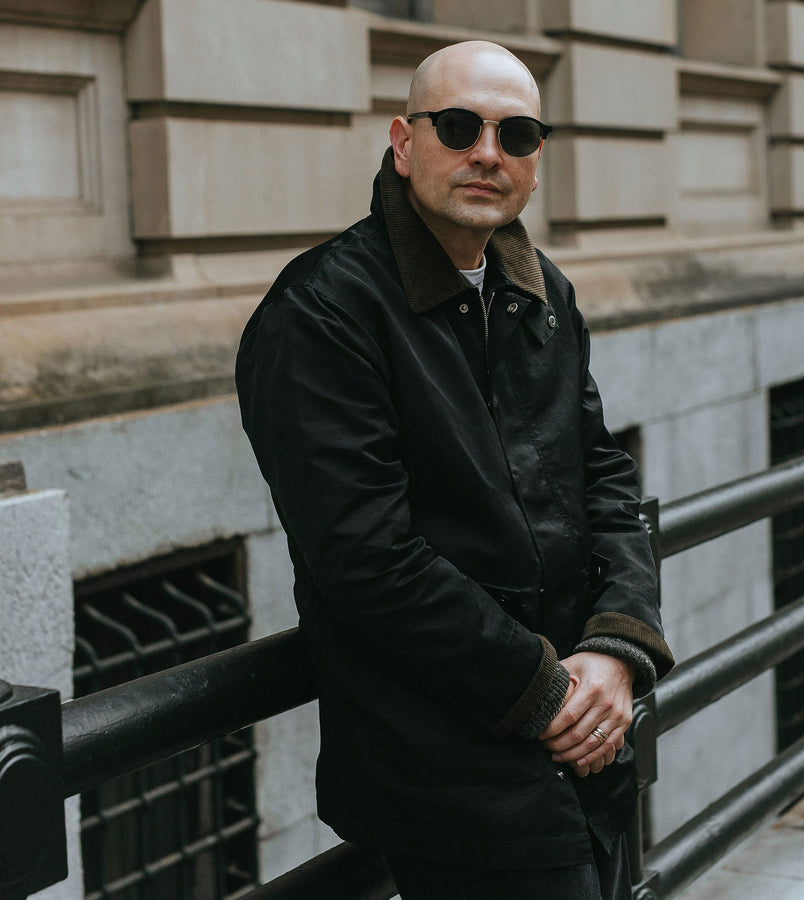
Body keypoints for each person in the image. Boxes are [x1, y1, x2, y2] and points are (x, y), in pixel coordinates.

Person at [236, 40, 673, 899]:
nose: (487, 152)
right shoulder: (323, 310)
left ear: (537, 160)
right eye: (459, 125)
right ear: (403, 143)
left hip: (588, 752)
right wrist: (549, 693)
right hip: (453, 777)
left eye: (516, 134)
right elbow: (366, 557)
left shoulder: (541, 288)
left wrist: (618, 651)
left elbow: (606, 479)